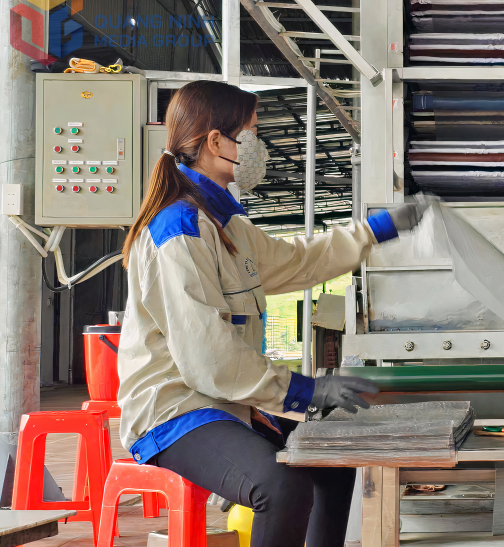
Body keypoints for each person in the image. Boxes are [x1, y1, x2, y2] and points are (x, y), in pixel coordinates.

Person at [117, 81, 426, 547]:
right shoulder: (178, 230)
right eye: (251, 135)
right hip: (175, 411)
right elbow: (210, 359)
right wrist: (306, 390)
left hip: (223, 401)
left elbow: (298, 261)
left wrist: (377, 230)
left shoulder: (227, 225)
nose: (257, 147)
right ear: (215, 142)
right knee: (281, 484)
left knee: (332, 459)